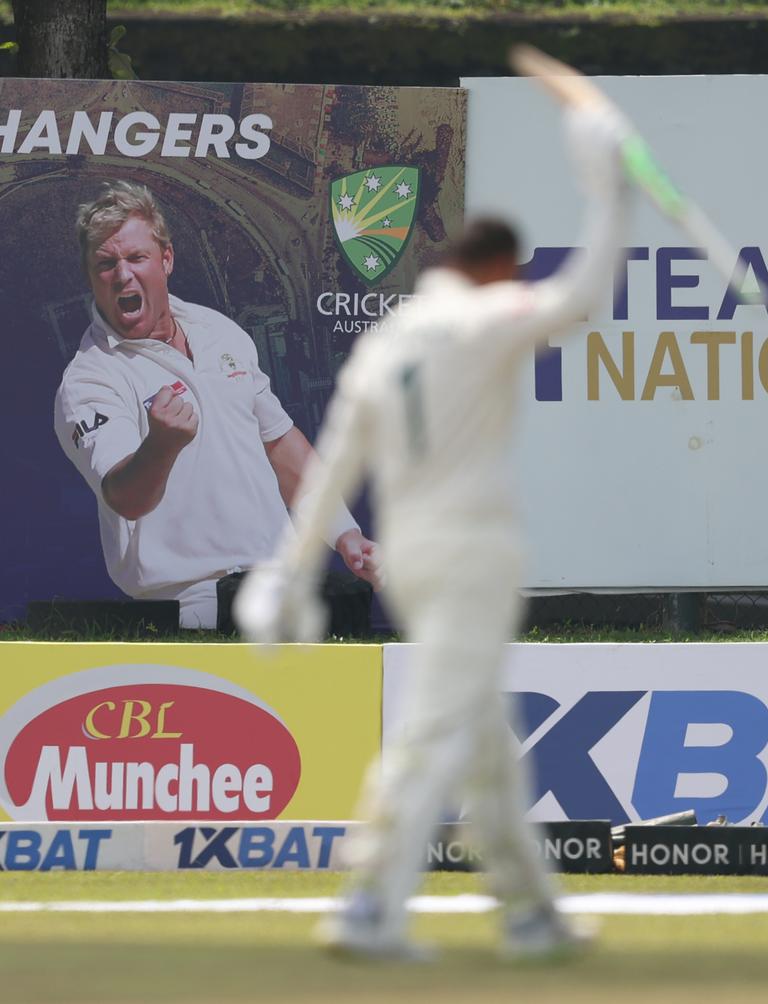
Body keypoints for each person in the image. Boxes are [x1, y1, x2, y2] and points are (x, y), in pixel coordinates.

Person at [235, 102, 634, 959]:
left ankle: (530, 911)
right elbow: (588, 293)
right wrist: (608, 191)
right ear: (494, 272)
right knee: (433, 732)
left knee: (483, 738)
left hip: (408, 556)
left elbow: (333, 465)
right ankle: (368, 902)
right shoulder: (486, 319)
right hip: (470, 555)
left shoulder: (387, 344)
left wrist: (292, 570)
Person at [54, 181, 378, 629]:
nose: (122, 275)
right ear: (91, 277)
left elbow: (279, 443)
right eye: (105, 264)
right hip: (189, 607)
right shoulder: (89, 379)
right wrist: (161, 445)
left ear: (166, 259)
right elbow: (124, 497)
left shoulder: (218, 330)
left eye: (136, 258)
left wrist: (344, 532)